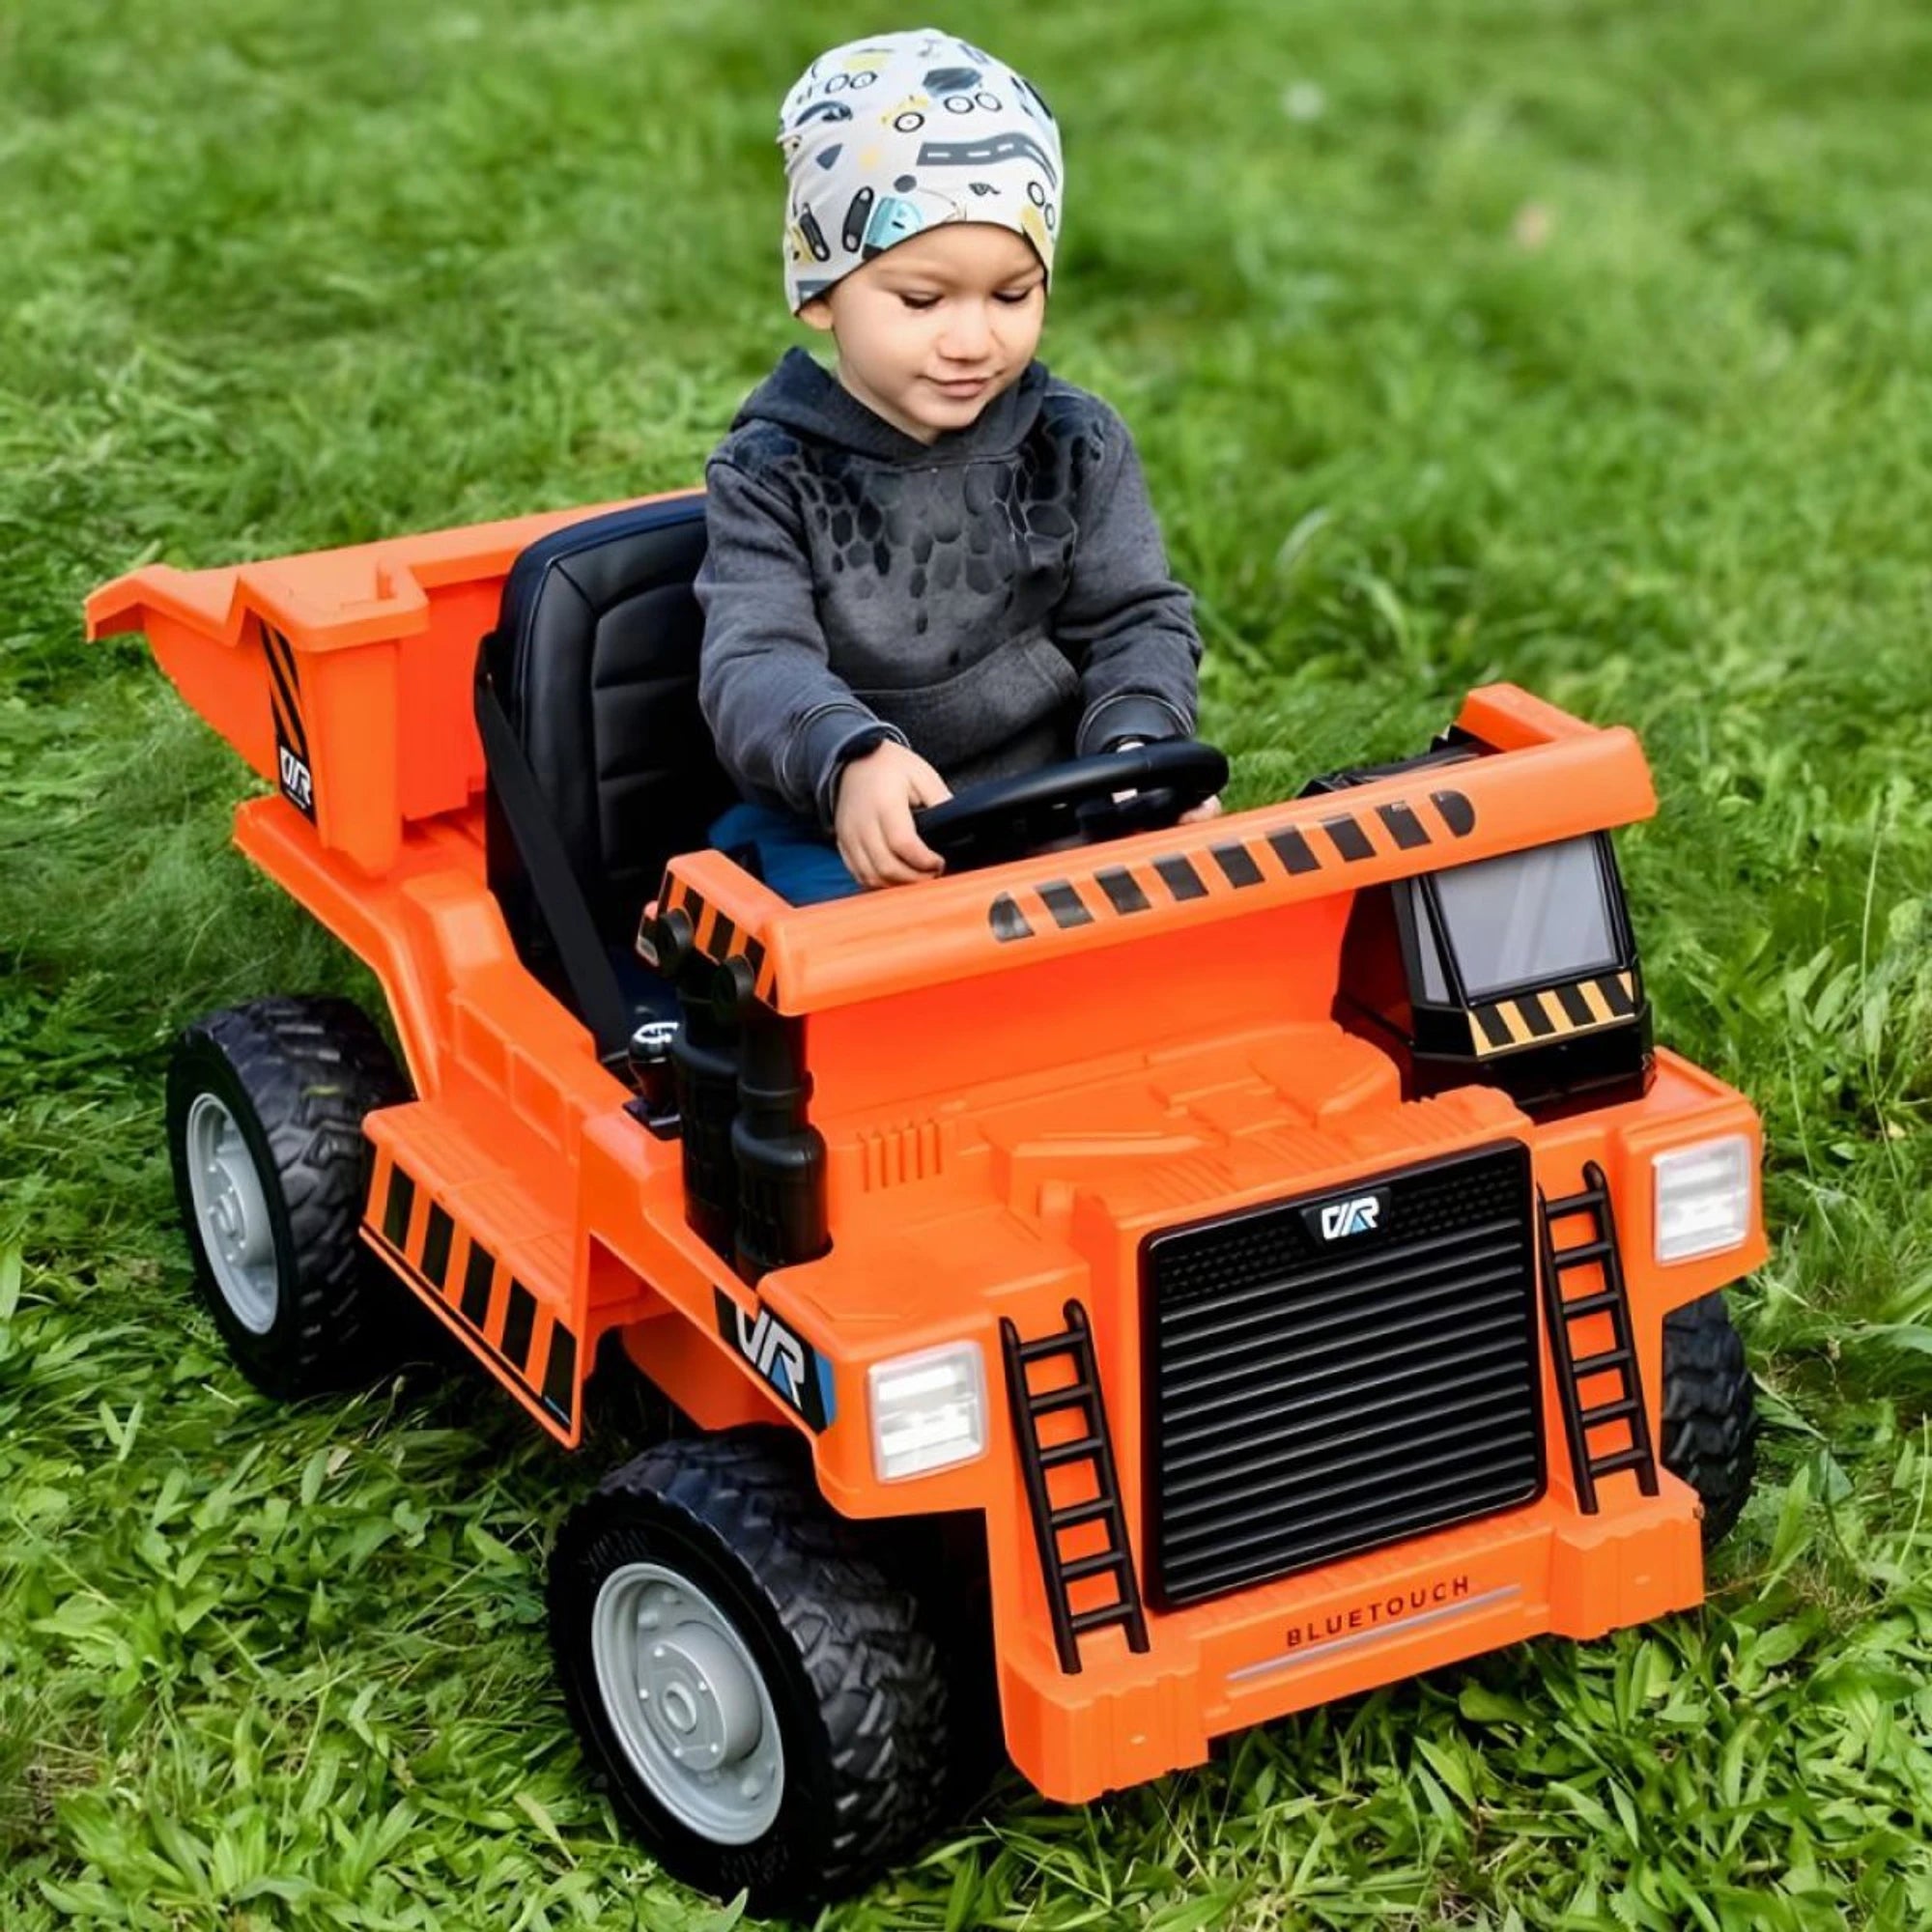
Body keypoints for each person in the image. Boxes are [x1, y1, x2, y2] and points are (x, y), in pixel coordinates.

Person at [695, 26, 1217, 904]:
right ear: (820, 293)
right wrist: (848, 756)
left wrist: (1136, 736)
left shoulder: (1074, 444)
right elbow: (754, 659)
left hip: (1057, 805)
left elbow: (1134, 619)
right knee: (839, 961)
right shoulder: (771, 474)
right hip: (846, 830)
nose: (973, 340)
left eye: (1012, 295)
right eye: (923, 299)